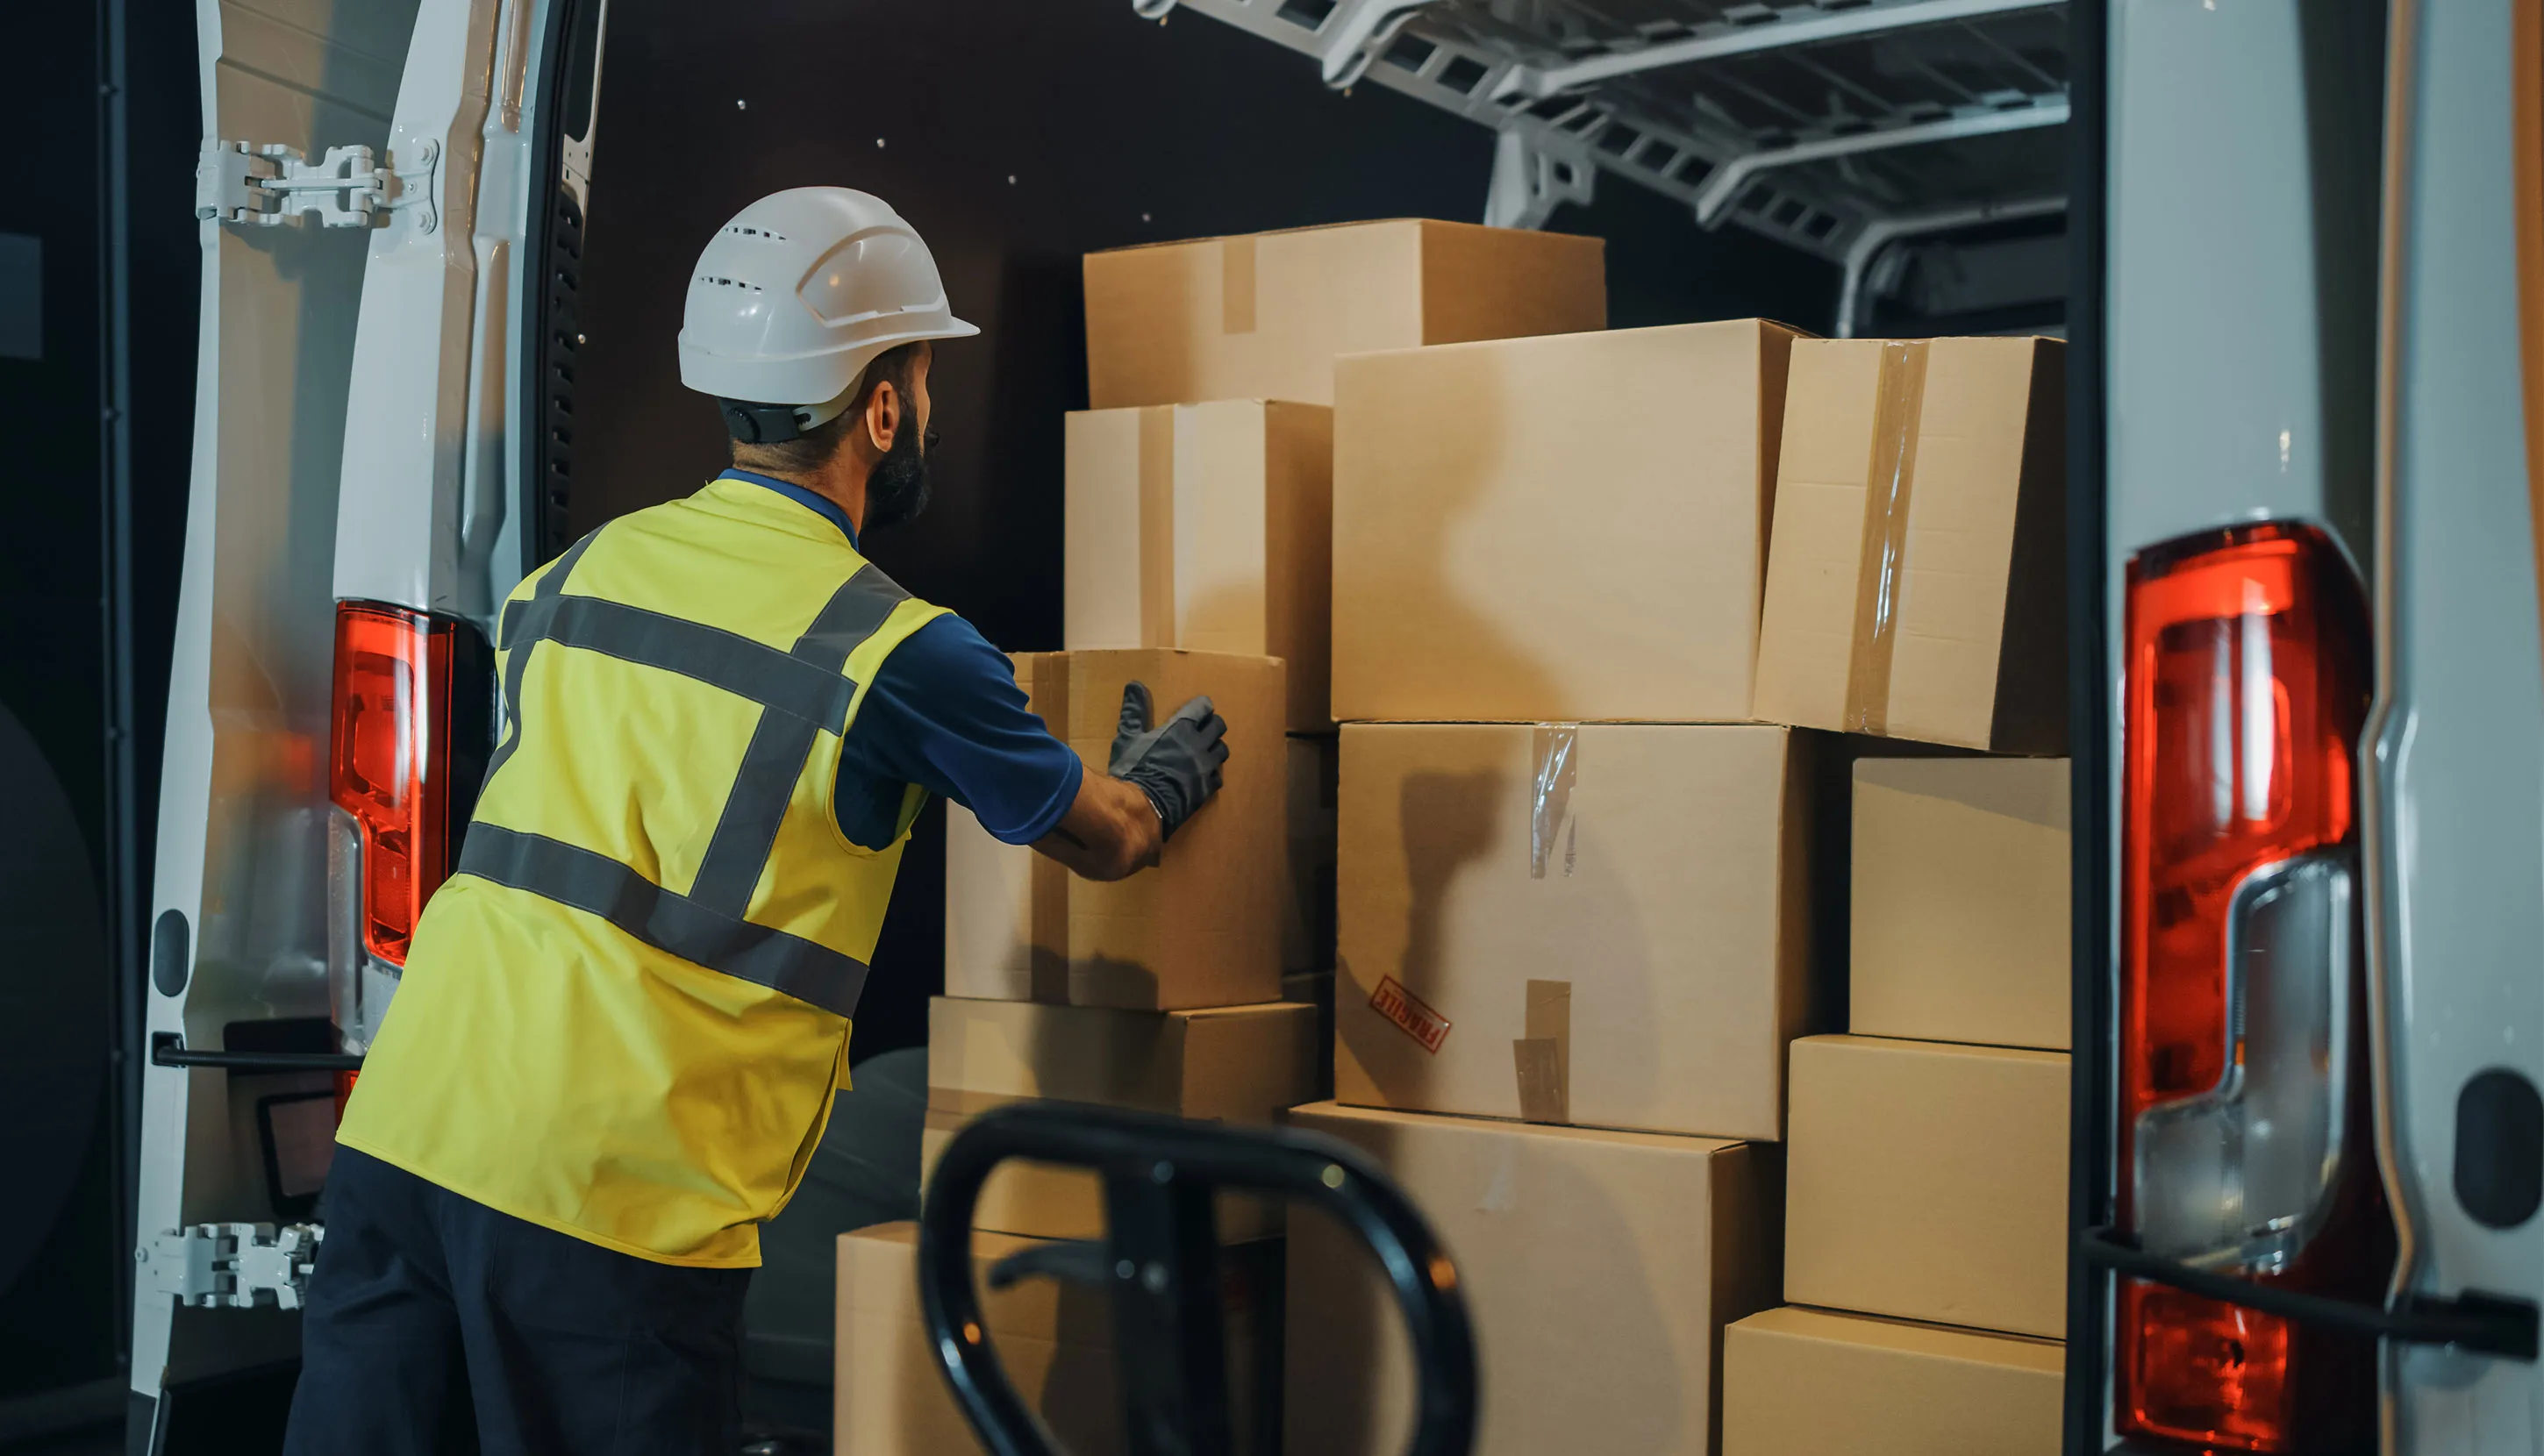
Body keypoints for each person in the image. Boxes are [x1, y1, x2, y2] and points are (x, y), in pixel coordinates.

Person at [282, 187, 1229, 1455]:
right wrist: (1154, 783)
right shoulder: (897, 650)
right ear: (881, 408)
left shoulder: (576, 575)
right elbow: (1104, 839)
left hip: (404, 1141)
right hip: (613, 1205)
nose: (930, 414)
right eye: (925, 382)